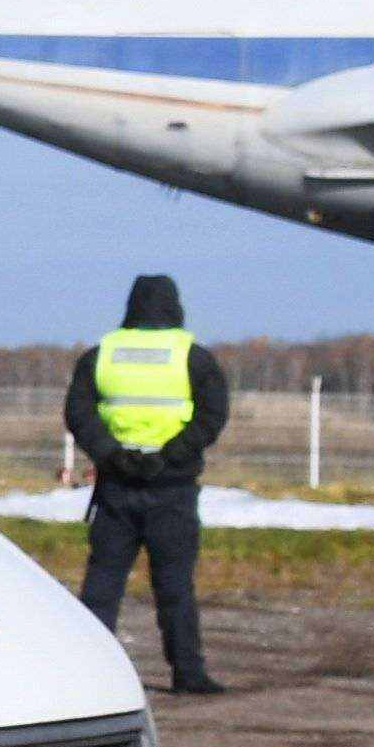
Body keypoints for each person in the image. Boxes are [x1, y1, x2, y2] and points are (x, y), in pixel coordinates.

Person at [65, 273, 230, 695]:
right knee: (175, 587)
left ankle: (87, 674)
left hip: (116, 487)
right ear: (175, 305)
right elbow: (212, 416)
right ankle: (188, 674)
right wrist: (169, 457)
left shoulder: (101, 356)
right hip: (172, 488)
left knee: (102, 585)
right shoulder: (193, 357)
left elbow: (79, 415)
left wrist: (112, 455)